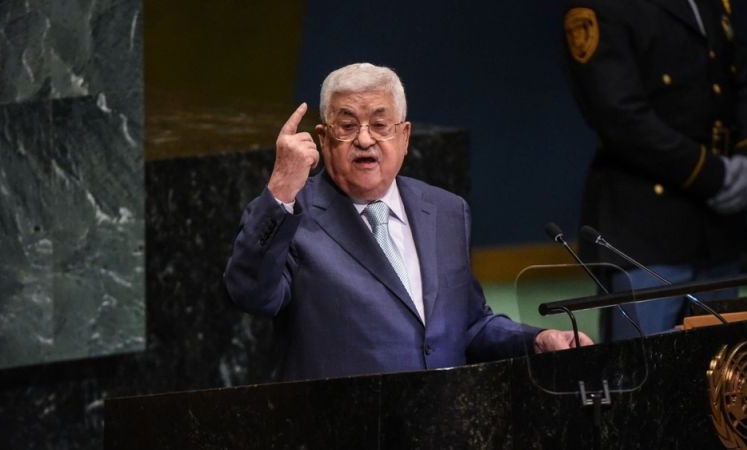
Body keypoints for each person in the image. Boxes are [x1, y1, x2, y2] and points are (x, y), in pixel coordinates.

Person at [224, 63, 592, 381]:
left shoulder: (446, 210)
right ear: (322, 139)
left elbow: (468, 325)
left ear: (404, 136)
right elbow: (249, 293)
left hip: (438, 421)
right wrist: (280, 190)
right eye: (347, 126)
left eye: (380, 124)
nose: (364, 139)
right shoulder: (293, 214)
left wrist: (536, 341)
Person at [563, 0, 747, 341]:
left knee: (724, 364)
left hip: (718, 230)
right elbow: (619, 115)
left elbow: (746, 78)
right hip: (646, 229)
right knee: (641, 368)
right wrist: (712, 174)